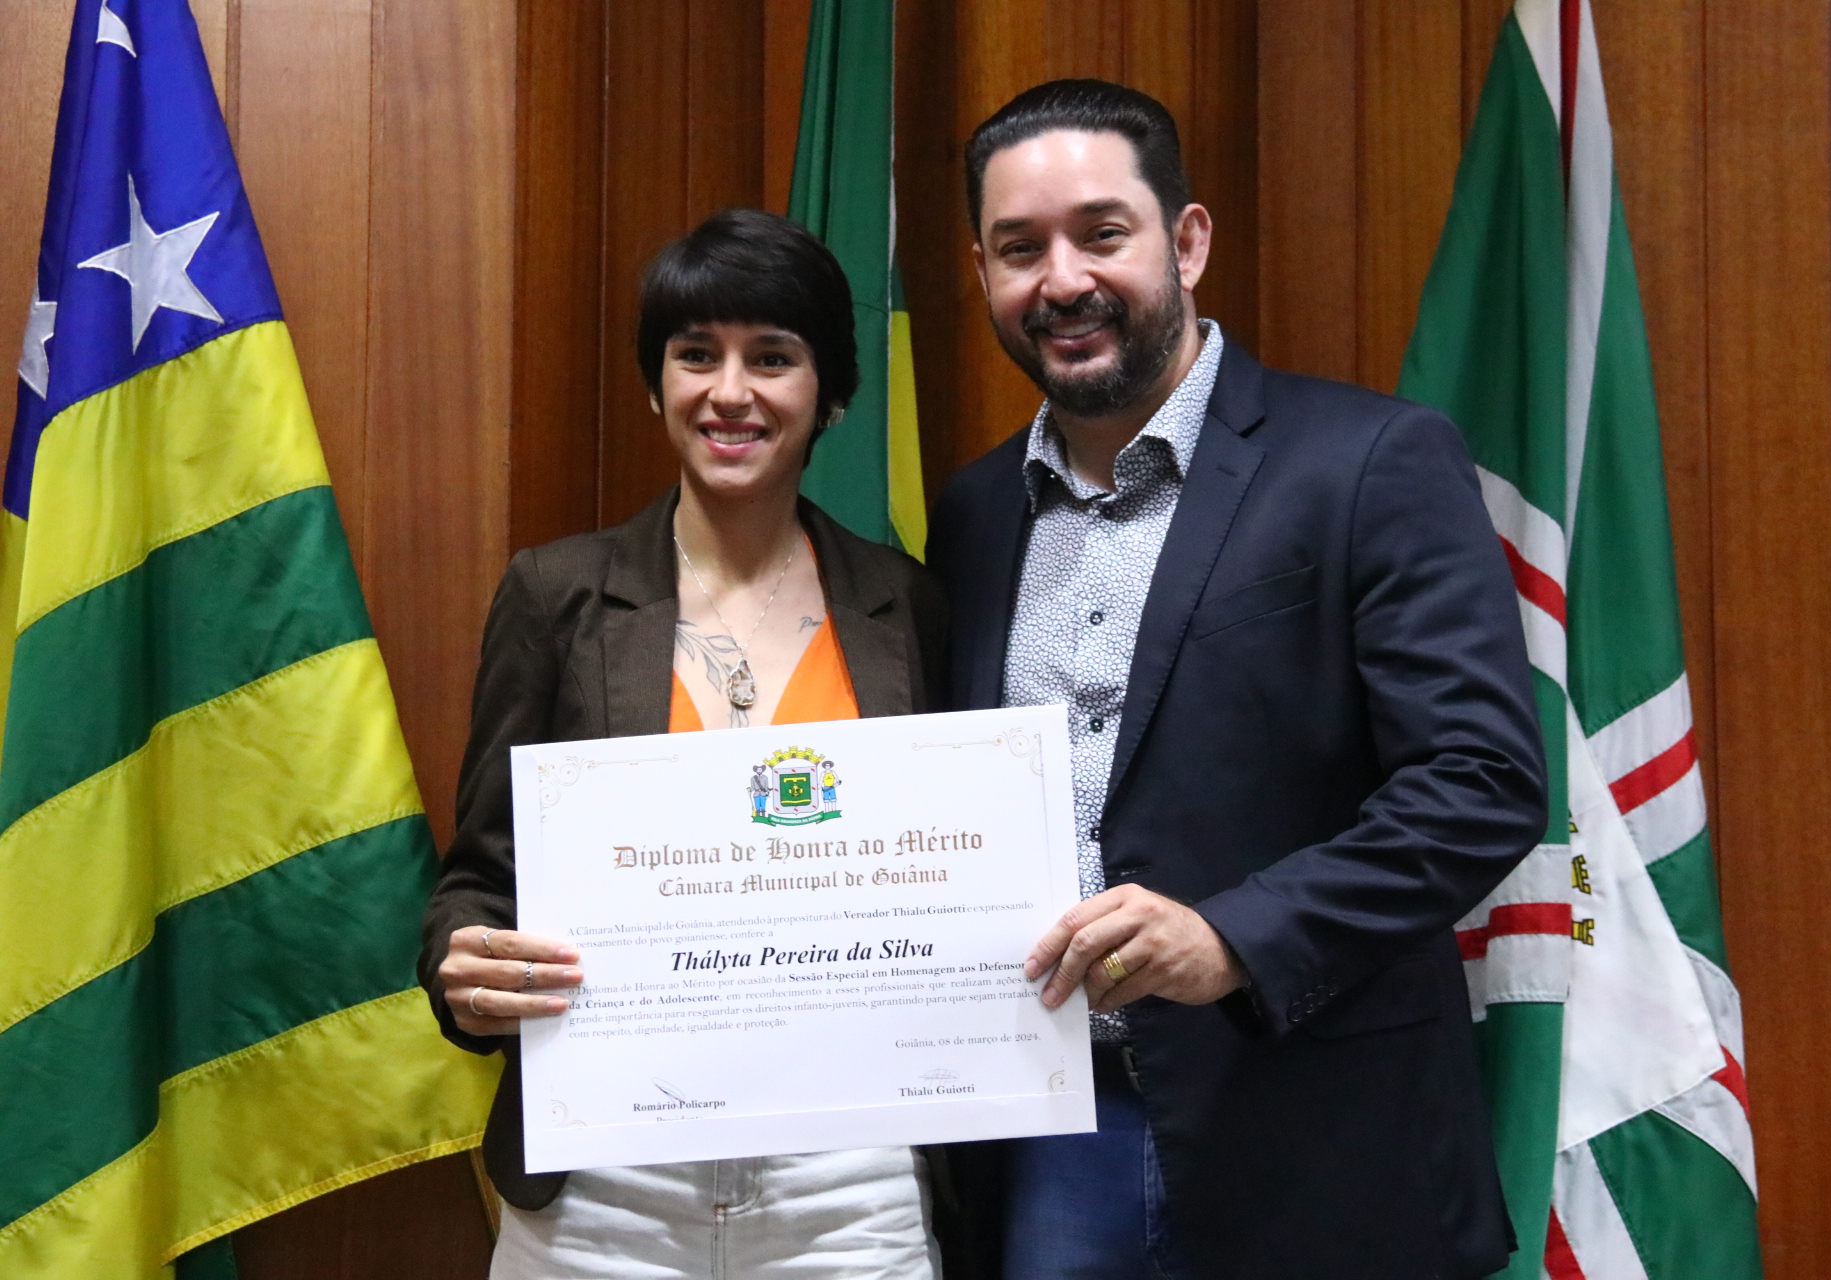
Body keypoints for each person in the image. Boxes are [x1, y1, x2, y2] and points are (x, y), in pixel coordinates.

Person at [926, 80, 1548, 1279]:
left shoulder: (1371, 460)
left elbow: (1481, 781)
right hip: (1051, 1134)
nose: (1062, 279)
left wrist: (1235, 934)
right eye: (1020, 248)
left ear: (1189, 240)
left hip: (1315, 1131)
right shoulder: (972, 514)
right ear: (983, 271)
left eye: (1102, 233)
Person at [420, 208, 948, 1279]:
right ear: (656, 384)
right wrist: (459, 965)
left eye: (773, 357)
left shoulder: (912, 606)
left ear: (831, 393)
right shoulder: (555, 595)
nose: (730, 391)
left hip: (848, 1183)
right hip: (605, 1185)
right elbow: (478, 878)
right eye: (696, 354)